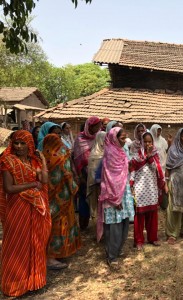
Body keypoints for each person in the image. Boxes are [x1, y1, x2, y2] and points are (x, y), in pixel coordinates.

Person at [0, 130, 51, 297]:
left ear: (30, 144)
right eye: (16, 143)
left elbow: (43, 180)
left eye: (23, 143)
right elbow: (9, 188)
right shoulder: (7, 161)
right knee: (17, 246)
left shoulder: (32, 161)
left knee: (35, 243)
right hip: (18, 209)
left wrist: (42, 160)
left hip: (35, 209)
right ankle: (16, 284)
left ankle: (34, 282)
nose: (19, 146)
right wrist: (30, 185)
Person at [97, 127, 135, 267]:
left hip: (123, 190)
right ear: (114, 138)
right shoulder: (110, 152)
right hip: (113, 193)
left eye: (125, 138)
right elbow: (110, 177)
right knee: (114, 226)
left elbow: (125, 171)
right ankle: (111, 256)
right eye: (122, 138)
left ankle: (117, 250)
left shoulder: (121, 151)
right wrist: (115, 199)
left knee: (124, 223)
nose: (125, 141)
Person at [42, 133, 81, 270]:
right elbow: (67, 173)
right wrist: (73, 187)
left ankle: (51, 254)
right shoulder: (61, 154)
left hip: (48, 197)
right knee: (61, 223)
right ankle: (52, 256)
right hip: (63, 196)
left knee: (51, 224)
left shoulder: (42, 156)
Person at [130, 131, 167, 250]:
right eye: (145, 141)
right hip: (140, 189)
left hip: (151, 189)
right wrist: (131, 184)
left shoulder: (155, 155)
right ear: (141, 142)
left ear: (153, 142)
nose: (147, 144)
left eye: (149, 141)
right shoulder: (137, 155)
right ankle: (139, 240)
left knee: (152, 214)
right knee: (139, 216)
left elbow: (156, 169)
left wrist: (150, 156)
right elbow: (132, 170)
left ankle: (152, 238)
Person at [73, 116, 102, 229]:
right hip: (84, 174)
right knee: (84, 198)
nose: (98, 128)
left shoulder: (99, 137)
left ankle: (97, 224)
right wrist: (80, 175)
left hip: (98, 174)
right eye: (96, 126)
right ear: (89, 126)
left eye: (99, 126)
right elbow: (77, 157)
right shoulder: (80, 138)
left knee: (96, 198)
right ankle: (83, 224)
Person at [87, 131, 107, 219]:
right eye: (103, 138)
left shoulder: (109, 151)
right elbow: (92, 171)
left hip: (106, 184)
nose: (105, 141)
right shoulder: (94, 154)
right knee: (97, 206)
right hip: (96, 185)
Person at [150, 124, 169, 209]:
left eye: (159, 131)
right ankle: (154, 203)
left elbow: (167, 150)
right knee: (154, 184)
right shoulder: (150, 140)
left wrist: (170, 142)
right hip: (153, 166)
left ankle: (163, 204)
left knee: (163, 183)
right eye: (157, 130)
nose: (158, 132)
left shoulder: (163, 140)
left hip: (162, 165)